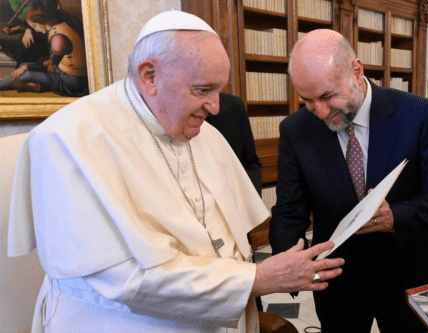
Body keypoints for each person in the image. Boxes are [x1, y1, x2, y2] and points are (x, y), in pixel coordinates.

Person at [7, 11, 344, 332]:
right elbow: (123, 279)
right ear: (149, 75)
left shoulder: (202, 133)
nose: (215, 108)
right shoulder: (67, 140)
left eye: (218, 90)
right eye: (202, 90)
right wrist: (256, 279)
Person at [269, 29, 428, 333]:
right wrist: (290, 261)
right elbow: (289, 211)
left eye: (327, 96)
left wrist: (394, 217)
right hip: (338, 285)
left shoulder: (416, 114)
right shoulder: (296, 130)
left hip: (408, 276)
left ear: (356, 72)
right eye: (307, 100)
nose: (320, 112)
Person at [0, 8, 88, 96]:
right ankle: (37, 86)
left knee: (26, 74)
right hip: (63, 72)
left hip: (71, 81)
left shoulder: (57, 38)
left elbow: (51, 64)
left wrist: (26, 68)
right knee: (22, 66)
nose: (36, 29)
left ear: (41, 21)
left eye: (34, 26)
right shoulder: (60, 26)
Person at [207, 92, 262, 195]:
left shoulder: (233, 105)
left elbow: (250, 164)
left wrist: (252, 206)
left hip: (236, 202)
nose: (214, 108)